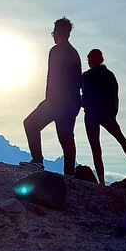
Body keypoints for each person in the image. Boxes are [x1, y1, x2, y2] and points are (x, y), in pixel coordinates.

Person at [21, 17, 82, 175]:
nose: (53, 35)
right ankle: (69, 174)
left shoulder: (56, 51)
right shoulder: (74, 52)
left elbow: (52, 77)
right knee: (66, 137)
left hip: (58, 101)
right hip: (71, 101)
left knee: (30, 124)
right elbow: (78, 80)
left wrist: (49, 101)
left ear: (58, 32)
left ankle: (38, 162)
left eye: (54, 31)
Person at [82, 49, 126, 184]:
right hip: (107, 114)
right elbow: (115, 94)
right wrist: (113, 112)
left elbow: (85, 97)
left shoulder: (86, 76)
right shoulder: (110, 75)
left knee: (95, 147)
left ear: (90, 60)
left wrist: (83, 103)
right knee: (120, 138)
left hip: (91, 114)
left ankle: (102, 182)